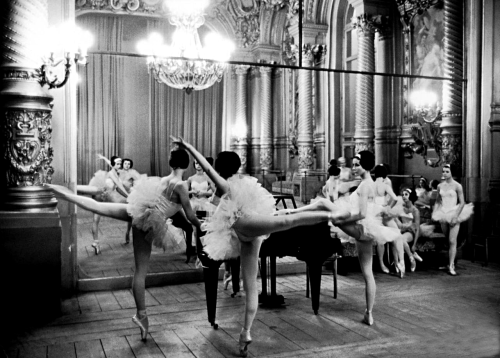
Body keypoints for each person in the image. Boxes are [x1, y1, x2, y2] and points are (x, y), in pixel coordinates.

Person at [170, 136, 350, 358]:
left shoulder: (226, 185)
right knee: (282, 225)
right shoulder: (235, 185)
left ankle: (328, 212)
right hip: (248, 233)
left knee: (285, 221)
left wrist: (188, 147)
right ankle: (245, 332)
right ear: (237, 166)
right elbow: (218, 206)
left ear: (219, 168)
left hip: (245, 230)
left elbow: (207, 171)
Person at [48, 148, 202, 341]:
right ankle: (141, 317)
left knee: (99, 207)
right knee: (141, 272)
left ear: (171, 163)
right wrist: (201, 226)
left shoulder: (164, 179)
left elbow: (171, 206)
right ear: (187, 164)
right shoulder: (180, 185)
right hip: (148, 222)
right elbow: (190, 215)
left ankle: (58, 191)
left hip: (140, 212)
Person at [330, 151, 401, 326]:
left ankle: (294, 217)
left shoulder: (364, 186)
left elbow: (361, 213)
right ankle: (368, 313)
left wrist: (341, 220)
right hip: (368, 229)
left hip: (362, 228)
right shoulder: (369, 183)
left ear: (366, 165)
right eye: (353, 164)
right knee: (368, 274)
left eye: (357, 165)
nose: (354, 168)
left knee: (332, 218)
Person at [77, 155, 130, 254]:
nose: (120, 165)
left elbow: (118, 187)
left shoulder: (116, 172)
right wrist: (128, 196)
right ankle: (72, 187)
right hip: (100, 194)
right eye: (118, 164)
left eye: (120, 164)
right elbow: (119, 186)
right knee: (95, 218)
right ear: (114, 165)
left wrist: (104, 158)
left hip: (105, 195)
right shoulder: (111, 173)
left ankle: (96, 242)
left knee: (96, 219)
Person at [431, 164, 474, 276]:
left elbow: (462, 202)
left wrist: (455, 216)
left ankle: (451, 266)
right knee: (447, 239)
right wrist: (435, 211)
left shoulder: (457, 186)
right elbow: (438, 201)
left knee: (452, 241)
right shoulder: (440, 186)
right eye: (443, 171)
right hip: (443, 213)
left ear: (451, 172)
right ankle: (450, 262)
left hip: (454, 212)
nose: (444, 173)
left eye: (447, 171)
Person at [372, 164, 399, 275]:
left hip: (373, 213)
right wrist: (388, 207)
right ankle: (396, 263)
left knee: (381, 240)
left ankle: (382, 263)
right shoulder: (385, 185)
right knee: (394, 235)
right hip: (383, 211)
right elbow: (395, 198)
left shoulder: (371, 185)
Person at [390, 187, 421, 277]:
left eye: (406, 194)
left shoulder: (415, 210)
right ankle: (397, 263)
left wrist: (415, 244)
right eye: (403, 194)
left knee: (401, 239)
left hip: (411, 231)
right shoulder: (400, 207)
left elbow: (417, 228)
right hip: (402, 229)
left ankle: (411, 259)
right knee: (394, 239)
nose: (404, 196)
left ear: (411, 196)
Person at [120, 158, 144, 244]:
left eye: (129, 164)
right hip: (119, 194)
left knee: (130, 215)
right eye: (125, 163)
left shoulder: (132, 173)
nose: (127, 165)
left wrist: (133, 189)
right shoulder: (118, 172)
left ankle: (128, 232)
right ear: (122, 164)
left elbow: (139, 181)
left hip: (130, 194)